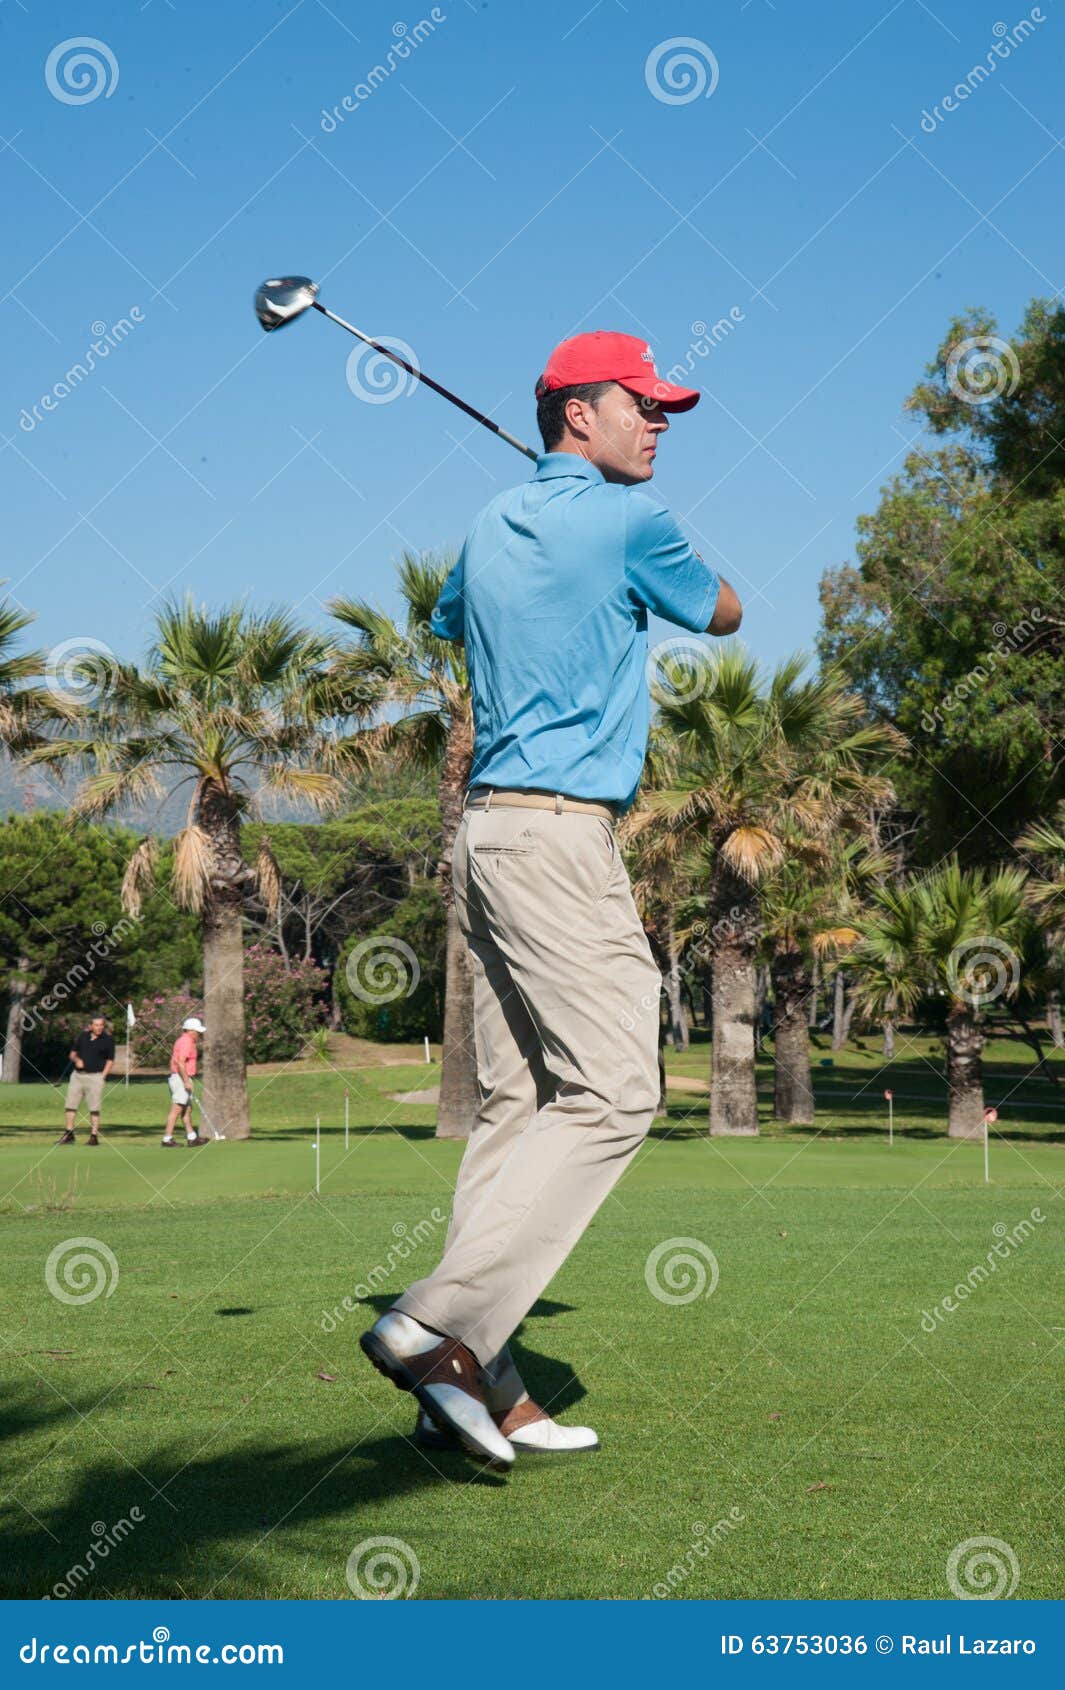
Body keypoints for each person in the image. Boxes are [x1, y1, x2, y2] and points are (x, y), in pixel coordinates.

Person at [361, 330, 742, 1466]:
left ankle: (490, 1382)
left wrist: (542, 510)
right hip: (564, 839)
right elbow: (722, 612)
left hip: (482, 839)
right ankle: (436, 1329)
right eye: (645, 404)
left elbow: (448, 620)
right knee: (622, 1088)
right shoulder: (634, 520)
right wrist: (611, 537)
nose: (660, 422)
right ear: (582, 412)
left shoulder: (489, 524)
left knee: (523, 1102)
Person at [57, 1014, 115, 1145]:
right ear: (90, 1026)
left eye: (101, 1025)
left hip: (95, 1077)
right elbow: (72, 1054)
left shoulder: (108, 1040)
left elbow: (110, 1060)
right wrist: (77, 1060)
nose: (99, 1027)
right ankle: (69, 1134)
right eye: (96, 1025)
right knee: (70, 1105)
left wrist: (103, 1076)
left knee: (94, 1108)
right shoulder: (82, 1037)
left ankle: (94, 1136)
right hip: (77, 1076)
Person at [162, 1016, 208, 1147]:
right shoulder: (186, 1042)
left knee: (187, 1109)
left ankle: (192, 1137)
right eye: (198, 1032)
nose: (199, 1034)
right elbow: (180, 1063)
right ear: (191, 1030)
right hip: (181, 1078)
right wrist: (186, 1081)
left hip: (182, 1077)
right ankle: (167, 1139)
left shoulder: (186, 1041)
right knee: (177, 1108)